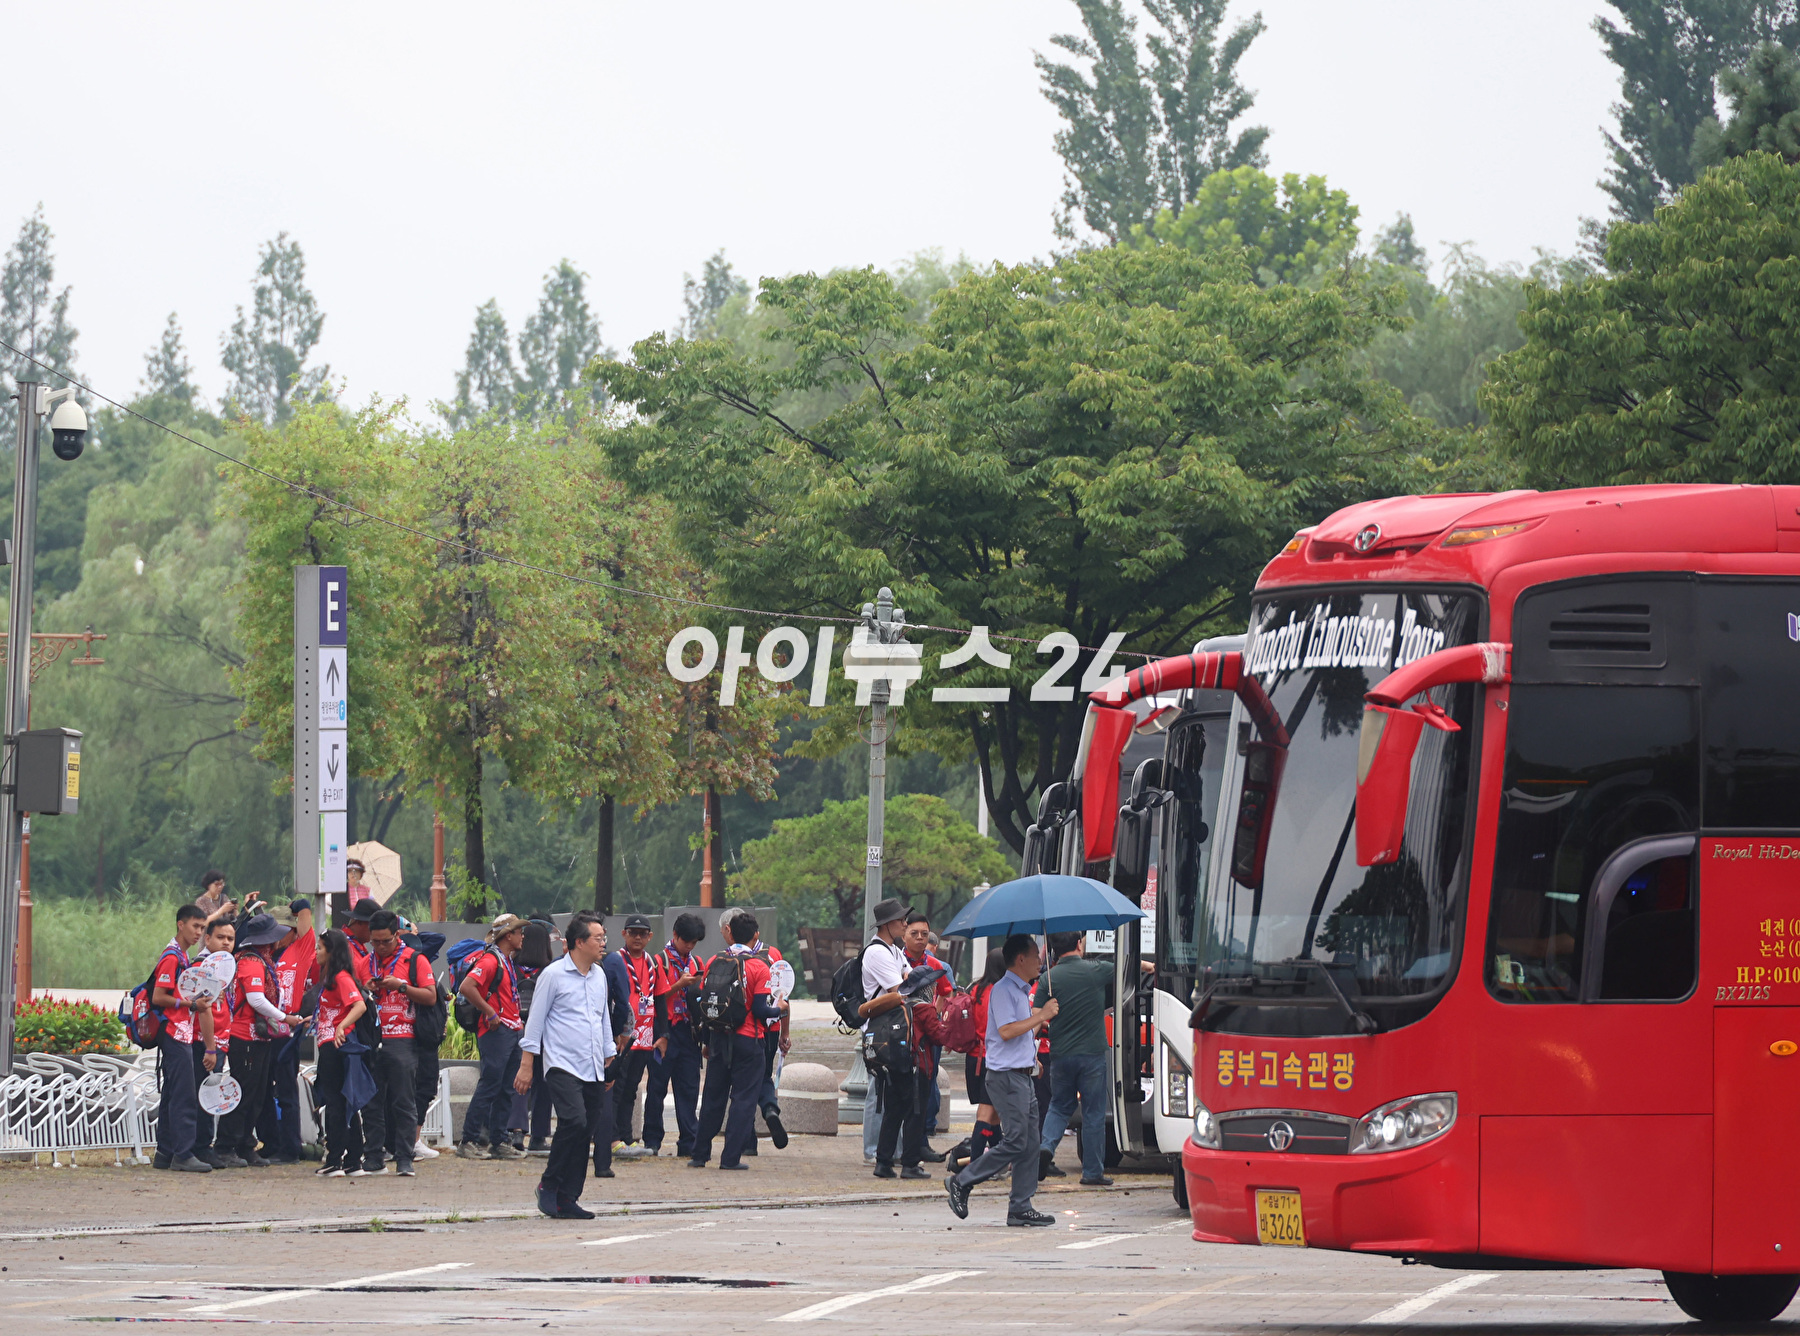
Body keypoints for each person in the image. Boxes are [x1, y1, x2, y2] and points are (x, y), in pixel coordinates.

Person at [946, 934, 1060, 1227]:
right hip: (1006, 1078)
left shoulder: (1021, 991)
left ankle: (1020, 1206)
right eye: (1036, 956)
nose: (1040, 961)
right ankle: (962, 1180)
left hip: (1022, 1075)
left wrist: (1031, 1057)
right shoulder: (1003, 990)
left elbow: (1017, 1036)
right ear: (1020, 959)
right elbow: (1008, 1030)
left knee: (1031, 1143)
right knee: (1017, 1141)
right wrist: (1041, 1015)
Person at [516, 910, 617, 1219]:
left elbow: (603, 1019)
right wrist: (527, 1064)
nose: (603, 943)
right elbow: (535, 1022)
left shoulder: (599, 975)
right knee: (573, 1121)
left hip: (593, 1065)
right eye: (598, 938)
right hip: (561, 1064)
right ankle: (549, 1184)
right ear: (578, 942)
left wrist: (608, 1056)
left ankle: (568, 1197)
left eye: (603, 938)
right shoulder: (553, 975)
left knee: (585, 1129)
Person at [688, 912, 786, 1171]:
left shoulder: (714, 960)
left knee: (712, 1097)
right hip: (748, 1040)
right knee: (743, 1100)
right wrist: (781, 1009)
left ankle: (699, 1154)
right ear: (755, 936)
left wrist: (707, 1041)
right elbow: (761, 1010)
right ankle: (730, 1158)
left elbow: (707, 1003)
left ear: (729, 932)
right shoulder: (759, 967)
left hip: (719, 1038)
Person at [215, 913, 298, 1168]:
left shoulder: (259, 960)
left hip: (256, 1037)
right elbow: (256, 1000)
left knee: (256, 1094)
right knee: (244, 1093)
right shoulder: (252, 962)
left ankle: (244, 1145)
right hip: (244, 1037)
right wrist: (286, 1018)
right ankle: (225, 1146)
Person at [1035, 932, 1117, 1186]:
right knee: (1093, 1113)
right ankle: (1092, 1173)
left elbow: (1036, 1018)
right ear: (1080, 944)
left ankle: (1046, 1147)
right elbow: (1127, 967)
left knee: (1059, 1106)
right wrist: (1150, 965)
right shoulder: (1098, 969)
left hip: (1060, 1054)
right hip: (1092, 1054)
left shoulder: (1048, 978)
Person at [363, 909, 436, 1177]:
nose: (381, 947)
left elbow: (430, 996)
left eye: (386, 941)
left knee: (404, 1101)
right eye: (375, 942)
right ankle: (373, 1155)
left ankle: (405, 1157)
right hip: (372, 1040)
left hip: (403, 1039)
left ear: (397, 935)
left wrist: (400, 986)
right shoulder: (365, 962)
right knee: (372, 1101)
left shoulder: (414, 960)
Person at [873, 963, 952, 1179]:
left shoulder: (899, 1005)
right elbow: (938, 1037)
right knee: (915, 1116)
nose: (935, 989)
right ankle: (910, 1165)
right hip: (917, 1069)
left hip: (894, 1067)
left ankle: (883, 1162)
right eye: (932, 986)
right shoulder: (924, 1009)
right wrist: (946, 1024)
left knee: (893, 1114)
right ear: (926, 989)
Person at [458, 913, 527, 1160]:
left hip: (509, 1029)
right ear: (508, 936)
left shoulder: (505, 960)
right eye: (519, 932)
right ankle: (468, 1140)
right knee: (490, 1085)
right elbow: (467, 986)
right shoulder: (491, 961)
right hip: (496, 1031)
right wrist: (489, 1011)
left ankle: (499, 1141)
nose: (522, 936)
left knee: (506, 1088)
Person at [149, 904, 212, 1173]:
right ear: (180, 925)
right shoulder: (173, 957)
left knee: (174, 1093)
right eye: (195, 926)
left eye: (202, 927)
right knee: (184, 1094)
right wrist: (190, 1005)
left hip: (181, 1032)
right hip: (174, 1032)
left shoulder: (183, 956)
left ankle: (165, 1153)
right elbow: (158, 997)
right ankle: (183, 1154)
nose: (198, 932)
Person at [257, 901, 315, 1165]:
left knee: (286, 1090)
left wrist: (300, 906)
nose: (278, 935)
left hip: (287, 1030)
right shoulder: (264, 954)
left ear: (293, 931)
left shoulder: (299, 950)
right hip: (263, 1029)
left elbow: (305, 919)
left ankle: (290, 1148)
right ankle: (270, 1142)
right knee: (262, 1090)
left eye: (284, 929)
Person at [645, 912, 705, 1159]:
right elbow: (654, 999)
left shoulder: (697, 963)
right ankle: (652, 1140)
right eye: (686, 941)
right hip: (664, 1030)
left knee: (689, 1089)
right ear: (675, 936)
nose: (689, 947)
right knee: (656, 1088)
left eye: (693, 943)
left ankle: (689, 1141)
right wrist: (679, 986)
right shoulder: (659, 962)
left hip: (689, 1032)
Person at [312, 928, 370, 1178]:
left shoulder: (340, 977)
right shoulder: (332, 978)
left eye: (320, 948)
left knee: (335, 1102)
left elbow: (359, 1005)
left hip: (335, 1046)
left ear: (331, 952)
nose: (316, 952)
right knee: (345, 1102)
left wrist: (341, 1026)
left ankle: (335, 1160)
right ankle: (354, 1160)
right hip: (331, 1042)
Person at [858, 898, 911, 1166]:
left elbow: (909, 981)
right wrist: (905, 981)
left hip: (891, 1028)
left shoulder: (895, 951)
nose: (905, 923)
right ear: (888, 924)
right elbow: (900, 990)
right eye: (901, 920)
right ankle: (873, 1149)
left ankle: (891, 1150)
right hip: (878, 1031)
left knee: (890, 1091)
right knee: (878, 1091)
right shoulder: (877, 952)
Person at [603, 914, 657, 1157]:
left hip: (645, 1038)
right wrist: (614, 1032)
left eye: (642, 933)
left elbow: (662, 998)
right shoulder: (615, 961)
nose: (637, 937)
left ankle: (627, 1136)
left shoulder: (653, 963)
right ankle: (611, 1138)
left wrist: (662, 1034)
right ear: (623, 934)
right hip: (622, 1037)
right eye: (632, 932)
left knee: (631, 1090)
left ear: (649, 937)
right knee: (616, 1087)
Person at [902, 912, 952, 1162]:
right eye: (914, 934)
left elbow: (946, 991)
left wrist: (933, 1015)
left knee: (926, 1088)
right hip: (900, 1035)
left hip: (926, 1038)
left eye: (924, 934)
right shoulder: (896, 961)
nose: (920, 938)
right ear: (904, 934)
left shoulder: (935, 965)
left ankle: (920, 1143)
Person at [955, 947, 1007, 1173]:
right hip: (992, 1059)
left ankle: (998, 1163)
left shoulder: (974, 989)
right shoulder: (1000, 992)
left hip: (974, 1057)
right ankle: (976, 1166)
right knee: (986, 1114)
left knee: (993, 1116)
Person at [191, 916, 236, 1167]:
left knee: (210, 1093)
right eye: (220, 937)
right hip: (204, 1041)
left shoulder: (224, 967)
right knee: (204, 1094)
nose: (226, 942)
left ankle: (202, 1145)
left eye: (230, 938)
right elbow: (203, 1009)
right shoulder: (203, 966)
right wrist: (210, 1047)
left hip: (219, 1040)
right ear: (207, 939)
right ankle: (201, 1147)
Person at [514, 915, 557, 1154]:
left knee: (518, 1082)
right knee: (543, 1084)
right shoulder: (549, 972)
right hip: (543, 1034)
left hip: (515, 1029)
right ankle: (539, 1137)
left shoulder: (512, 967)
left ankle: (516, 1133)